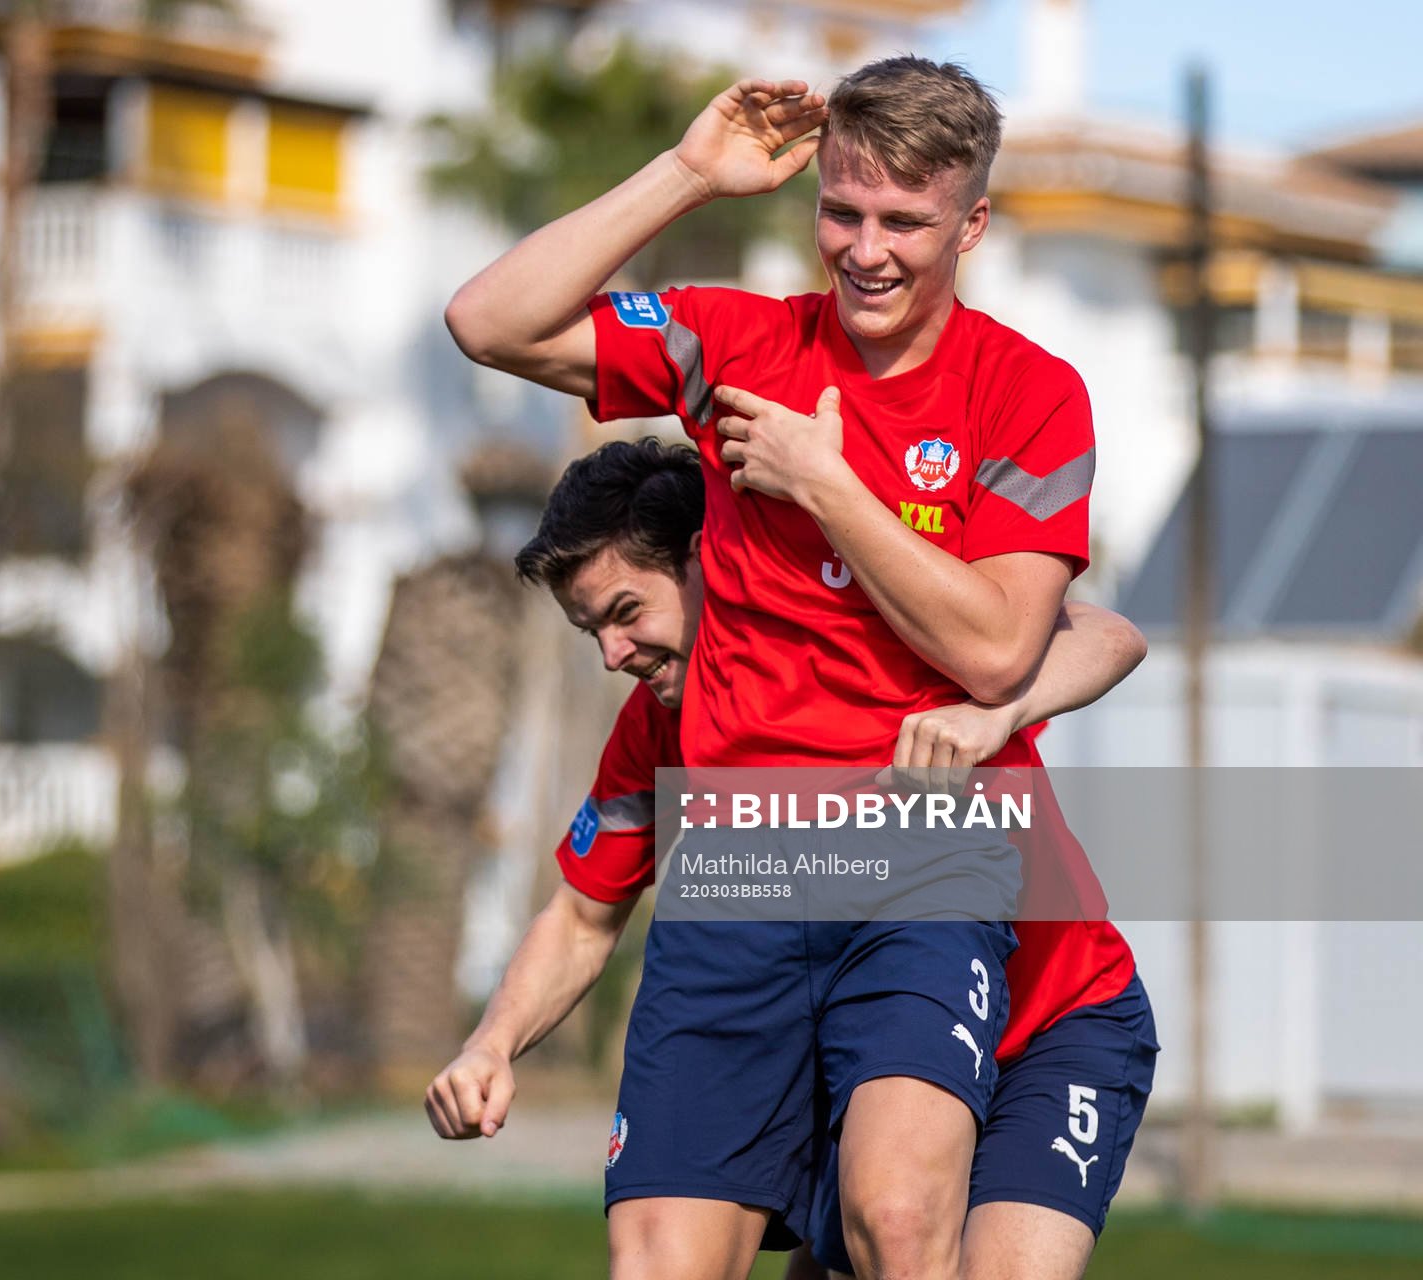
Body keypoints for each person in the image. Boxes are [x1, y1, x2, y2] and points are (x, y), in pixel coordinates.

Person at [443, 56, 1133, 1280]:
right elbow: (491, 321)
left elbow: (996, 646)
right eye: (842, 212)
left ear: (971, 223)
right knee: (656, 1256)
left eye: (904, 222)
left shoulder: (1031, 395)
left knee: (897, 1220)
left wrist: (826, 483)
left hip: (923, 851)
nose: (864, 249)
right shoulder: (737, 341)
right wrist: (686, 174)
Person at [426, 441, 1158, 1280]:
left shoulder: (869, 628)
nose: (612, 654)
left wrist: (995, 709)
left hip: (1050, 1029)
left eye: (628, 611)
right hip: (868, 1047)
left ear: (715, 563)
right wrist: (491, 1044)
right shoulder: (659, 730)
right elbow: (584, 915)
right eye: (591, 629)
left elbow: (1107, 630)